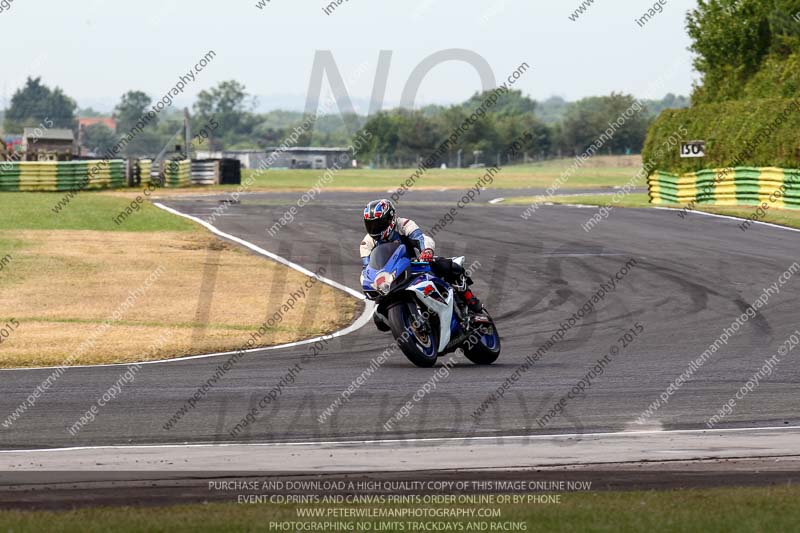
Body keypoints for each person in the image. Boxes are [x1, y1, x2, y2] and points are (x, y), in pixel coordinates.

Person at [360, 199, 485, 317]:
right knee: (379, 318)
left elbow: (421, 238)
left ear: (390, 219)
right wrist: (371, 284)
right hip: (391, 278)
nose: (374, 228)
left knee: (448, 266)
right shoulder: (366, 243)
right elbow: (367, 269)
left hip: (415, 265)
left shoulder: (403, 224)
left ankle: (470, 299)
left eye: (378, 223)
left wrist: (426, 251)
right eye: (370, 224)